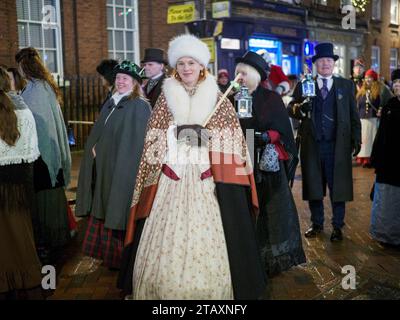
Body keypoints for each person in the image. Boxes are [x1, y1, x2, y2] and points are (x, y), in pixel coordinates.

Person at [117, 34, 266, 300]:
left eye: (192, 63)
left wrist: (205, 137)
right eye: (182, 63)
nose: (186, 68)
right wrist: (176, 133)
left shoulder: (218, 99)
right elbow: (154, 138)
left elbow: (234, 142)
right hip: (170, 180)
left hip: (204, 180)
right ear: (176, 66)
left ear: (201, 66)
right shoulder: (165, 98)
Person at [234, 51, 305, 276]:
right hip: (240, 164)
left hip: (267, 169)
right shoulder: (231, 98)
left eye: (244, 73)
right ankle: (248, 257)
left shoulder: (271, 98)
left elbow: (282, 130)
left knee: (271, 213)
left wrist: (264, 137)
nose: (240, 78)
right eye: (238, 73)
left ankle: (270, 259)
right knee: (246, 211)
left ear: (255, 75)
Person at [75, 60, 151, 269]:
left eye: (125, 78)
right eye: (118, 78)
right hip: (105, 167)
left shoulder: (139, 106)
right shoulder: (112, 102)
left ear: (135, 83)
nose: (120, 82)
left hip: (122, 171)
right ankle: (112, 258)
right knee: (106, 208)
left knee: (120, 211)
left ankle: (124, 259)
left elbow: (135, 144)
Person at [288, 43, 361, 242]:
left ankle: (338, 226)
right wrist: (299, 109)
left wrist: (357, 139)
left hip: (337, 146)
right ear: (316, 64)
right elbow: (291, 107)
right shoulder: (305, 85)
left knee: (339, 187)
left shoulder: (346, 86)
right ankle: (317, 223)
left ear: (334, 64)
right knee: (314, 187)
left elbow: (354, 115)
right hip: (312, 145)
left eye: (329, 60)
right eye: (321, 61)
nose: (326, 64)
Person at [15, 47, 72, 263]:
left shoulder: (37, 90)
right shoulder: (40, 86)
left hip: (42, 155)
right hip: (45, 153)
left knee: (46, 197)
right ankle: (54, 240)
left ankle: (51, 241)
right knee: (49, 195)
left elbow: (42, 126)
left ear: (24, 66)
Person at [0, 67, 42, 299]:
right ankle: (29, 284)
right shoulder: (23, 110)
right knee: (22, 239)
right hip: (19, 184)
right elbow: (32, 152)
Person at [369, 69, 400, 246]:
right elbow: (381, 135)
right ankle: (386, 235)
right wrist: (376, 157)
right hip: (388, 163)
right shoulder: (389, 105)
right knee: (386, 201)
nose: (397, 86)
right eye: (395, 83)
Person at [356, 69, 393, 168]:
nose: (368, 80)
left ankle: (372, 159)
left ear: (374, 79)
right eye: (366, 78)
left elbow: (390, 100)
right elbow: (358, 105)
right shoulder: (361, 90)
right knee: (364, 141)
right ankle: (364, 159)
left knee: (372, 140)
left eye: (370, 78)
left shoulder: (382, 89)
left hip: (374, 119)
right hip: (362, 119)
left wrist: (383, 110)